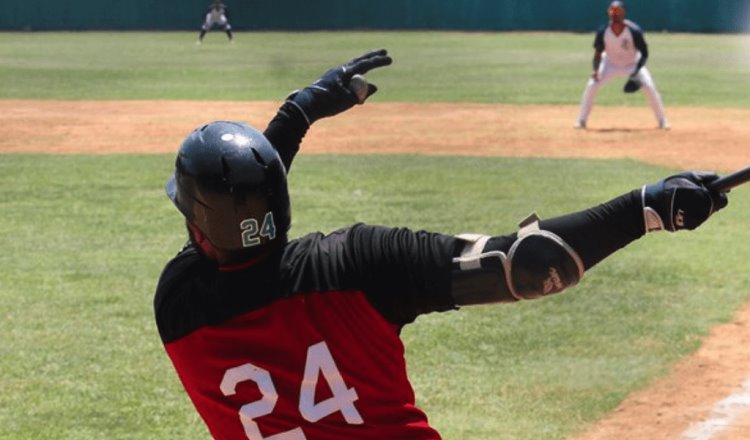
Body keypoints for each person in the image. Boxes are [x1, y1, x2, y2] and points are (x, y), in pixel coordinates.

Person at [154, 49, 728, 439]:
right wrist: (648, 207)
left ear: (195, 225)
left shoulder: (177, 306)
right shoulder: (359, 264)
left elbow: (229, 232)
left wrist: (295, 116)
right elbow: (529, 264)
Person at [575, 1, 669, 129]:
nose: (615, 14)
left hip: (632, 64)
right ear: (609, 13)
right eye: (612, 11)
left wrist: (636, 72)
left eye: (618, 11)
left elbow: (645, 53)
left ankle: (662, 120)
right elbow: (597, 53)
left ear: (623, 13)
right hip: (610, 63)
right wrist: (596, 70)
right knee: (592, 85)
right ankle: (581, 120)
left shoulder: (634, 31)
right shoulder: (603, 32)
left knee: (649, 87)